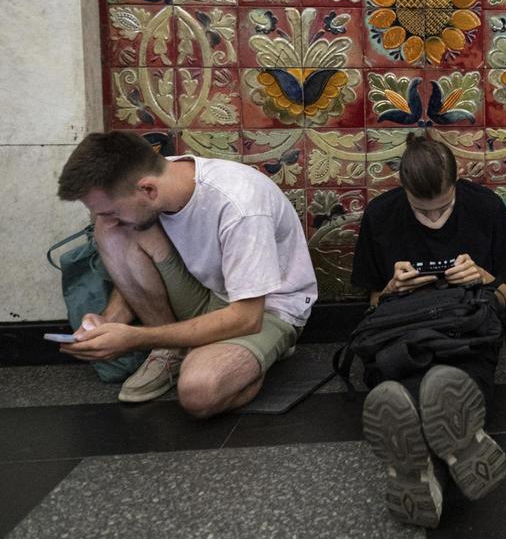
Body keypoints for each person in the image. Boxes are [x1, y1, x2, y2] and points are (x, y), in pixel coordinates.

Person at [55, 131, 318, 417]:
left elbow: (246, 318)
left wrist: (136, 337)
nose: (105, 218)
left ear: (148, 191)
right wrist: (107, 322)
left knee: (199, 392)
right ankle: (171, 352)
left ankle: (254, 354)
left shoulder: (240, 205)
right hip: (209, 292)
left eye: (110, 210)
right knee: (112, 231)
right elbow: (131, 259)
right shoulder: (152, 176)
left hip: (265, 310)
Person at [351, 134, 506, 528]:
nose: (433, 220)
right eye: (421, 211)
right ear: (404, 190)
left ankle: (419, 465)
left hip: (464, 331)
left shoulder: (486, 207)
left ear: (456, 185)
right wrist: (390, 289)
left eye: (443, 208)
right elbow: (372, 303)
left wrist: (483, 276)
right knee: (410, 379)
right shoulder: (381, 214)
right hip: (403, 330)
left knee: (455, 373)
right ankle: (452, 441)